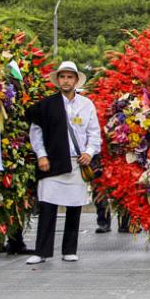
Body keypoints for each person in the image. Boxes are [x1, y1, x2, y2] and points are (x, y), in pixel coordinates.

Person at [25, 61, 101, 265]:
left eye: (70, 77)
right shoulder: (46, 105)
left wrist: (89, 152)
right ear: (57, 80)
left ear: (76, 80)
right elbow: (36, 132)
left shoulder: (87, 105)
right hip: (52, 162)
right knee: (47, 205)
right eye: (62, 77)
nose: (66, 80)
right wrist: (41, 155)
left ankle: (70, 249)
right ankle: (41, 252)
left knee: (74, 207)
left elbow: (94, 134)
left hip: (77, 162)